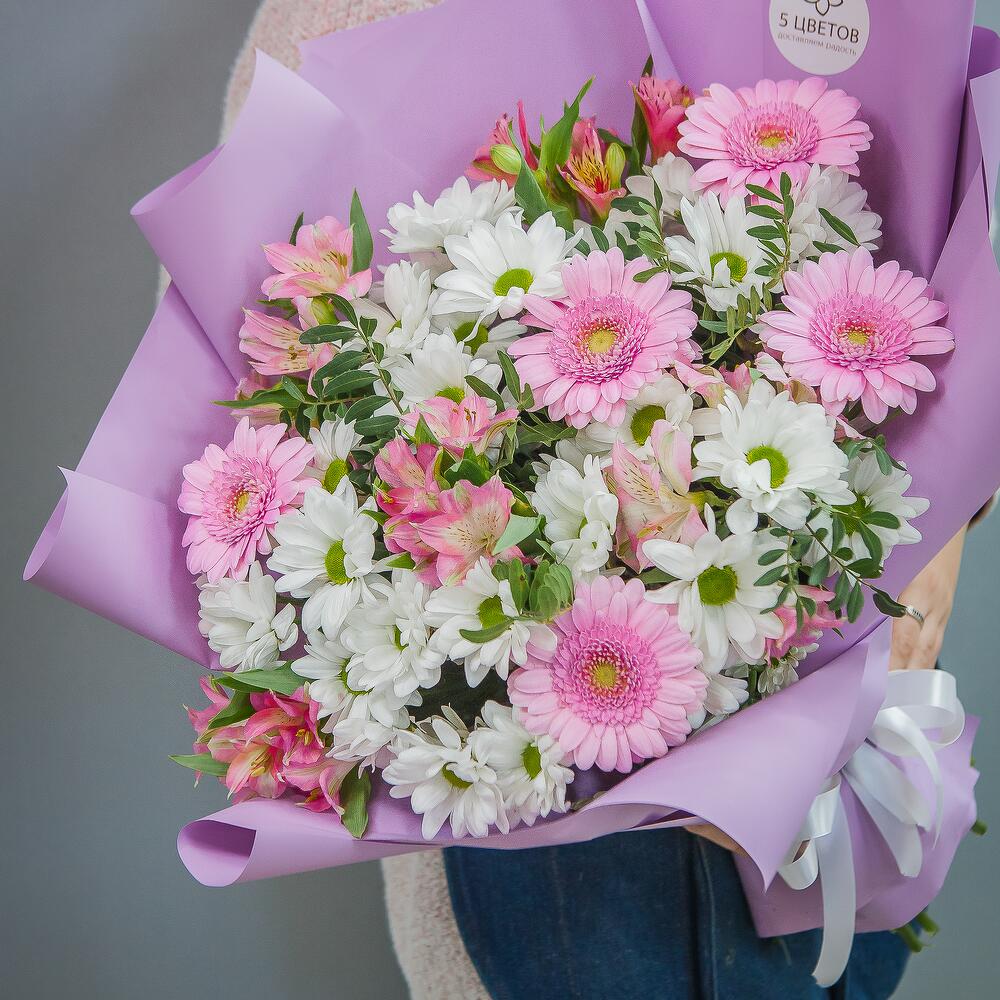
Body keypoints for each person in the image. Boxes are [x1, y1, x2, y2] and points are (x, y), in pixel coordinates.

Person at [218, 5, 982, 996]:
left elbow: (935, 252)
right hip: (550, 803)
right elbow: (250, 392)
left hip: (840, 701)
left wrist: (940, 532)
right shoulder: (347, 20)